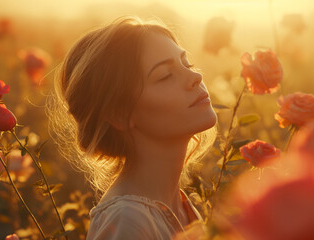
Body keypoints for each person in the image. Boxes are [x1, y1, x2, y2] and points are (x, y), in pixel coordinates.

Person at [47, 15, 218, 240]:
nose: (195, 76)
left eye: (187, 64)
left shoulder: (179, 206)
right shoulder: (128, 221)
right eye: (165, 76)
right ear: (118, 113)